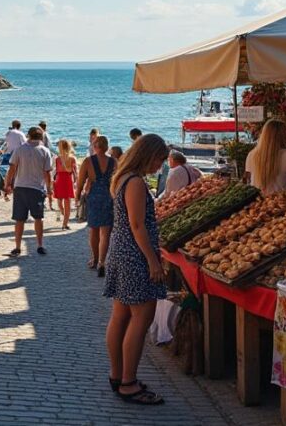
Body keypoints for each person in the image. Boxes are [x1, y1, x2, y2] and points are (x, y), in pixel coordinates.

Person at [104, 133, 169, 406]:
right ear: (148, 156)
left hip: (121, 252)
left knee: (120, 316)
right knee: (141, 319)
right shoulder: (136, 183)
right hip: (134, 256)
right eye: (159, 160)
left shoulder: (122, 178)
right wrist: (153, 261)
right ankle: (128, 382)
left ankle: (118, 375)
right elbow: (137, 225)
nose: (160, 166)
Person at [4, 126, 53, 256]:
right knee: (38, 218)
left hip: (20, 187)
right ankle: (40, 245)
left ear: (28, 136)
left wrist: (7, 185)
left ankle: (17, 246)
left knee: (19, 219)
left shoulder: (19, 150)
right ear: (41, 137)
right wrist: (49, 189)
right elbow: (47, 173)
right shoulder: (45, 151)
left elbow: (12, 169)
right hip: (37, 188)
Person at [76, 135, 116, 276]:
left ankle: (94, 259)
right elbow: (117, 181)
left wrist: (77, 196)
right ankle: (102, 262)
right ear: (107, 147)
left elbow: (80, 182)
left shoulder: (88, 161)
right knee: (106, 232)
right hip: (109, 197)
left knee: (93, 230)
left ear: (94, 147)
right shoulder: (114, 162)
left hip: (94, 198)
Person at [244, 119, 286, 194]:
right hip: (281, 199)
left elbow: (248, 178)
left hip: (257, 200)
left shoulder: (252, 155)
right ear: (284, 136)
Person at [53, 139, 78, 229]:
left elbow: (75, 172)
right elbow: (56, 172)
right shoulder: (58, 159)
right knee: (61, 203)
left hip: (65, 180)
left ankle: (65, 222)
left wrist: (76, 183)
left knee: (65, 202)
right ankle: (65, 219)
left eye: (59, 146)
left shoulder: (70, 158)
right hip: (62, 180)